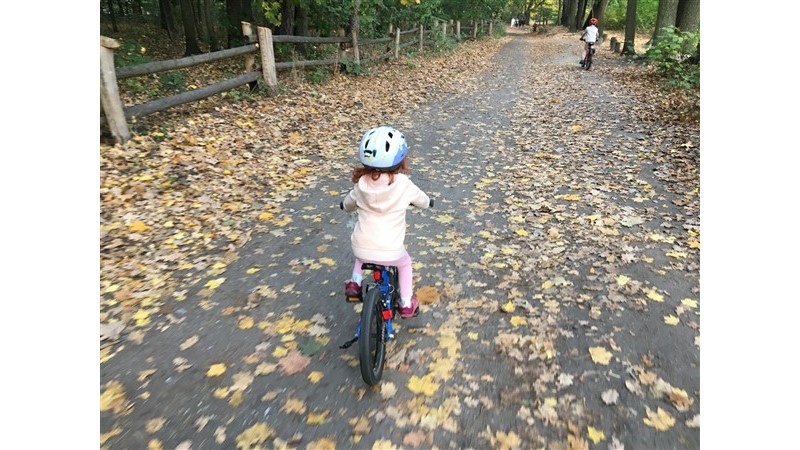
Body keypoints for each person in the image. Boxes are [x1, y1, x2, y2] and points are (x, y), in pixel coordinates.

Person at [341, 126, 431, 319]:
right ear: (401, 159)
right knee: (405, 264)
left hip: (362, 247)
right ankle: (406, 304)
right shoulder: (403, 184)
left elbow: (348, 204)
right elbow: (422, 201)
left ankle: (355, 283)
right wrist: (427, 203)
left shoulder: (361, 184)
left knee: (362, 256)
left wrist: (345, 206)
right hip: (392, 251)